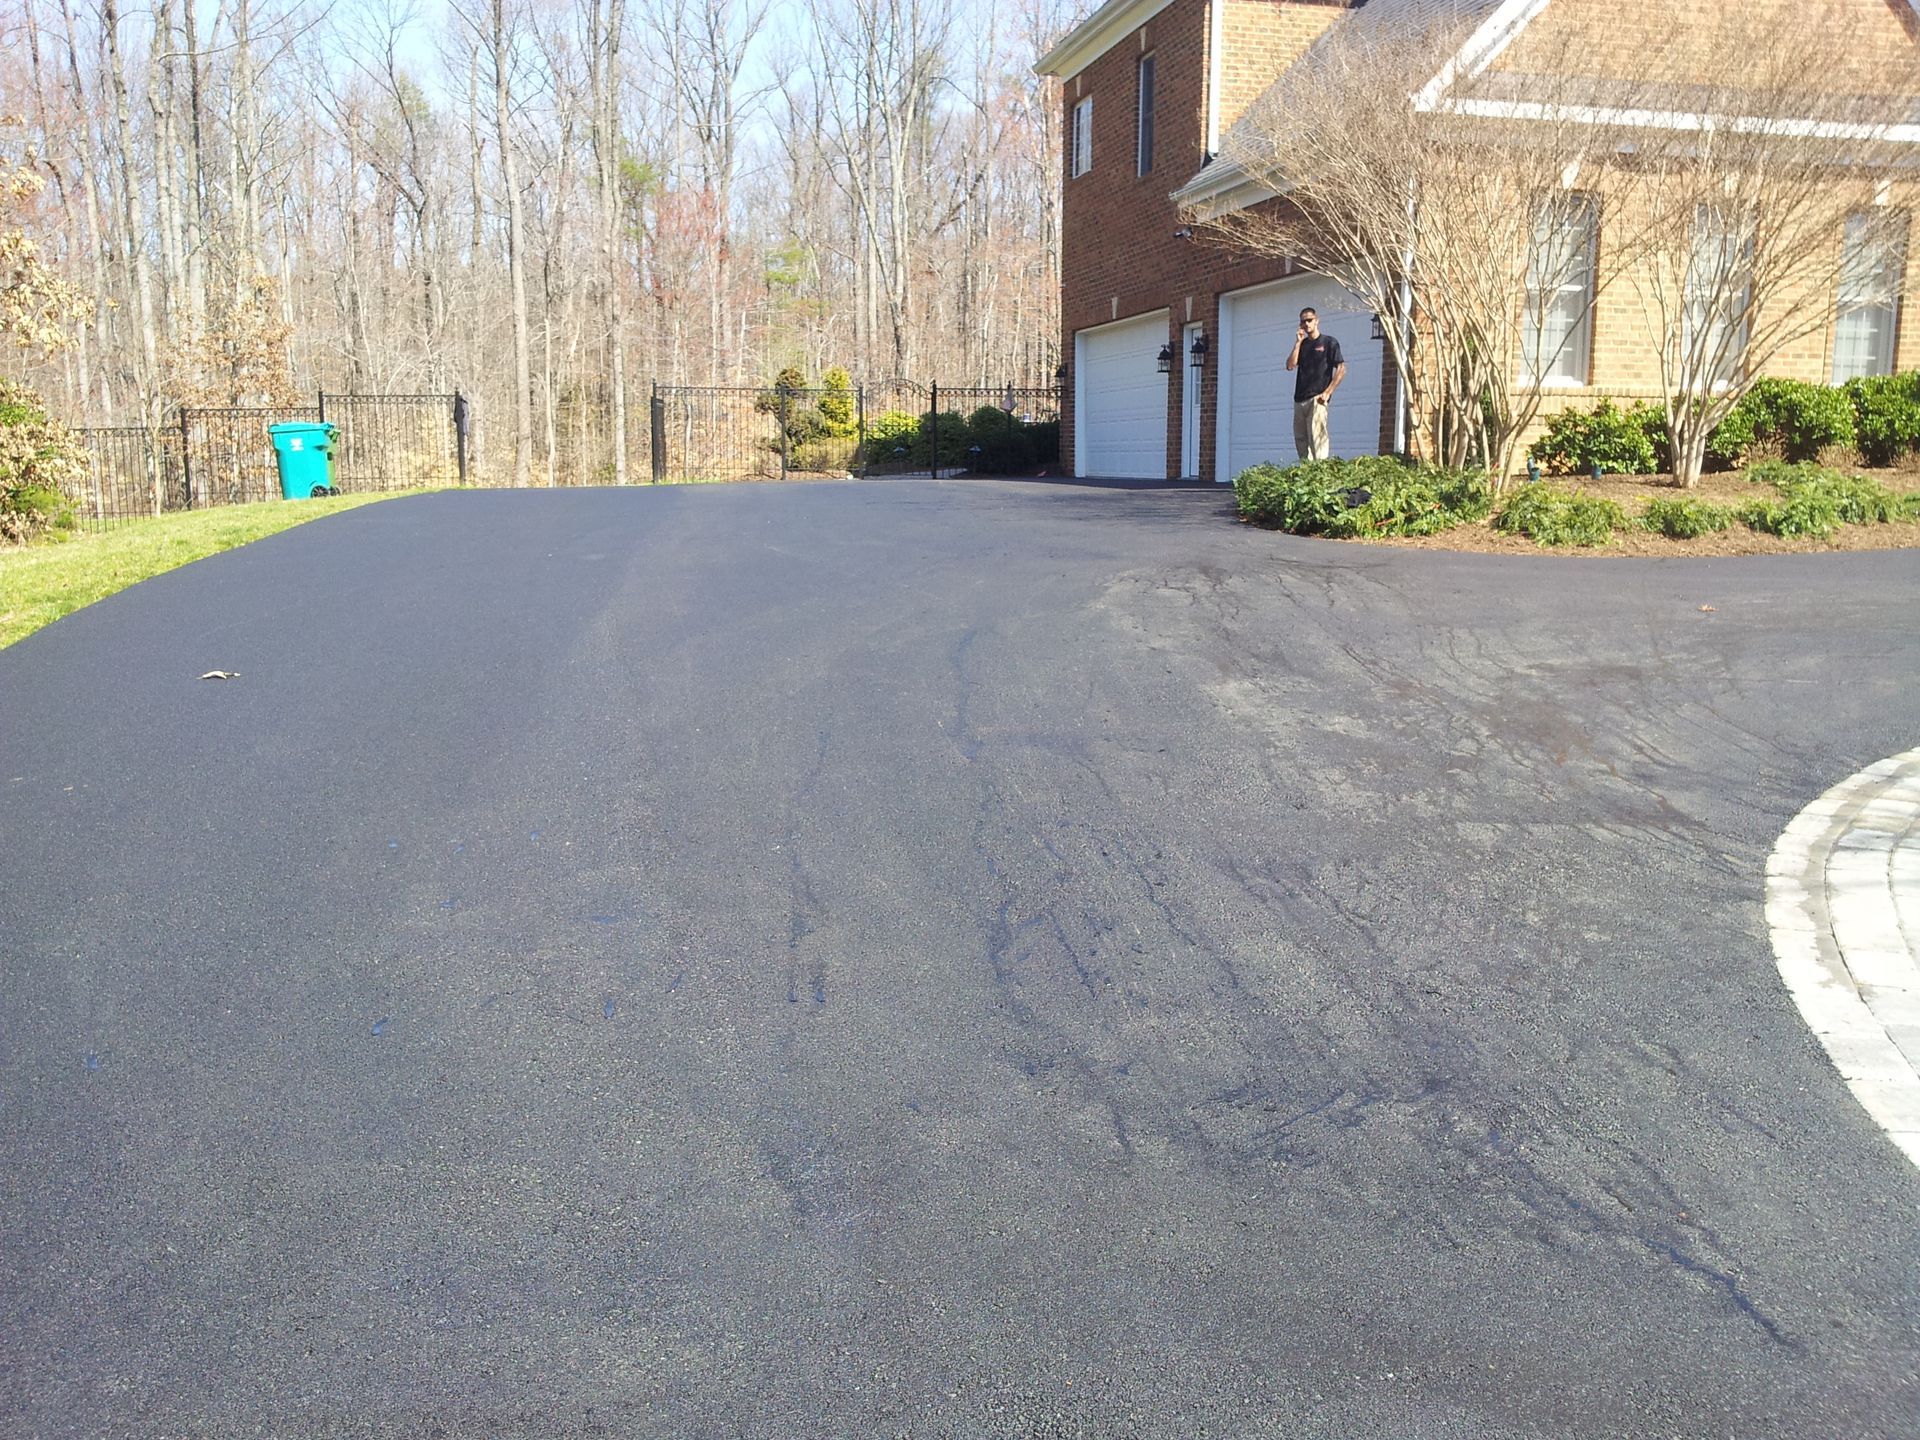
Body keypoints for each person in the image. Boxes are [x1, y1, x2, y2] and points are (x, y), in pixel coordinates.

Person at [1285, 307, 1346, 462]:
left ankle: (1320, 474)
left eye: (1309, 320)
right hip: (1299, 399)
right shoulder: (1303, 344)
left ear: (1316, 320)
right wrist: (1298, 342)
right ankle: (1306, 472)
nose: (1306, 324)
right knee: (1301, 439)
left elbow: (1341, 369)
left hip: (1317, 398)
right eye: (1303, 321)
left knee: (1317, 438)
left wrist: (1328, 392)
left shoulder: (1329, 342)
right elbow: (1290, 365)